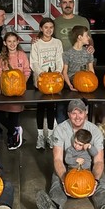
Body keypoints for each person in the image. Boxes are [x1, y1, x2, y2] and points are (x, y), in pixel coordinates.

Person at [36, 99, 105, 209]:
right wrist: (65, 179)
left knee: (101, 182)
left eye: (80, 113)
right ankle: (54, 207)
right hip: (67, 167)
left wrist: (95, 180)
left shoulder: (95, 131)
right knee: (56, 180)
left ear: (86, 112)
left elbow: (98, 161)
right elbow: (58, 159)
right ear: (68, 114)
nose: (77, 117)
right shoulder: (60, 129)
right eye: (73, 113)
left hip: (87, 168)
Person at [53, 0, 94, 123]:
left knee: (80, 103)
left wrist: (90, 47)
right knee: (62, 102)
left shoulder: (82, 21)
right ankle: (61, 132)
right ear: (60, 4)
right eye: (64, 2)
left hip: (80, 66)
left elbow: (89, 39)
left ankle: (80, 132)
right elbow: (46, 36)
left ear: (73, 4)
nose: (67, 5)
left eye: (70, 2)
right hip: (62, 64)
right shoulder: (56, 22)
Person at [30, 17, 64, 150]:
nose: (48, 30)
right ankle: (40, 136)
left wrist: (56, 72)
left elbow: (59, 60)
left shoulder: (57, 43)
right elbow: (34, 62)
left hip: (54, 81)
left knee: (51, 108)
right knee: (40, 108)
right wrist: (42, 74)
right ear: (41, 29)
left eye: (51, 27)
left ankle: (50, 135)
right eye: (46, 27)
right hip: (40, 80)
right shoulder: (36, 44)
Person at [0, 32, 30, 150]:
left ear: (18, 42)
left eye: (14, 41)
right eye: (9, 41)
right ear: (5, 43)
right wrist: (1, 87)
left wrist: (21, 83)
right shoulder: (1, 56)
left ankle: (12, 141)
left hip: (18, 91)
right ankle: (16, 130)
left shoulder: (22, 55)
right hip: (5, 91)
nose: (12, 44)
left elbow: (26, 71)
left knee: (14, 115)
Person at [62, 25, 94, 92]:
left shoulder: (88, 51)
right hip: (73, 81)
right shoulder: (67, 53)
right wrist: (69, 85)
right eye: (86, 35)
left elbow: (91, 69)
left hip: (86, 80)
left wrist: (93, 81)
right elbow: (64, 72)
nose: (88, 37)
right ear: (79, 37)